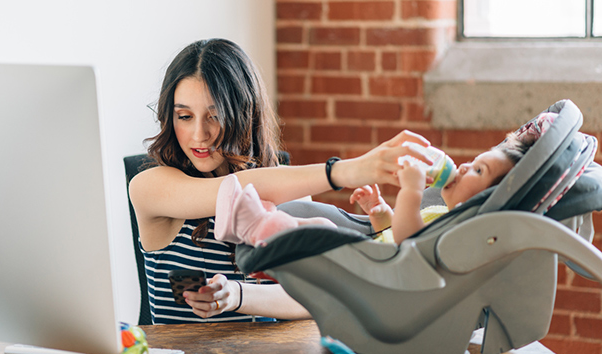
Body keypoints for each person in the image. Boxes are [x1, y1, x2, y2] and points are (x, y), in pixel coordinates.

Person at [128, 38, 433, 324]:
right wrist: (344, 171)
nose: (199, 135)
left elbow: (312, 296)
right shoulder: (149, 187)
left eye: (215, 115)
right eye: (184, 116)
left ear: (244, 113)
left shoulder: (282, 185)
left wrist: (237, 295)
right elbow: (230, 193)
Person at [215, 124, 542, 248]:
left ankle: (255, 225)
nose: (467, 164)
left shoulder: (459, 234)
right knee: (319, 225)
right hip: (379, 261)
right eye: (476, 159)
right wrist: (379, 211)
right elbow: (392, 233)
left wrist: (411, 192)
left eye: (480, 170)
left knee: (320, 229)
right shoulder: (443, 213)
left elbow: (407, 240)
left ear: (490, 200)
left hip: (379, 275)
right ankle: (255, 225)